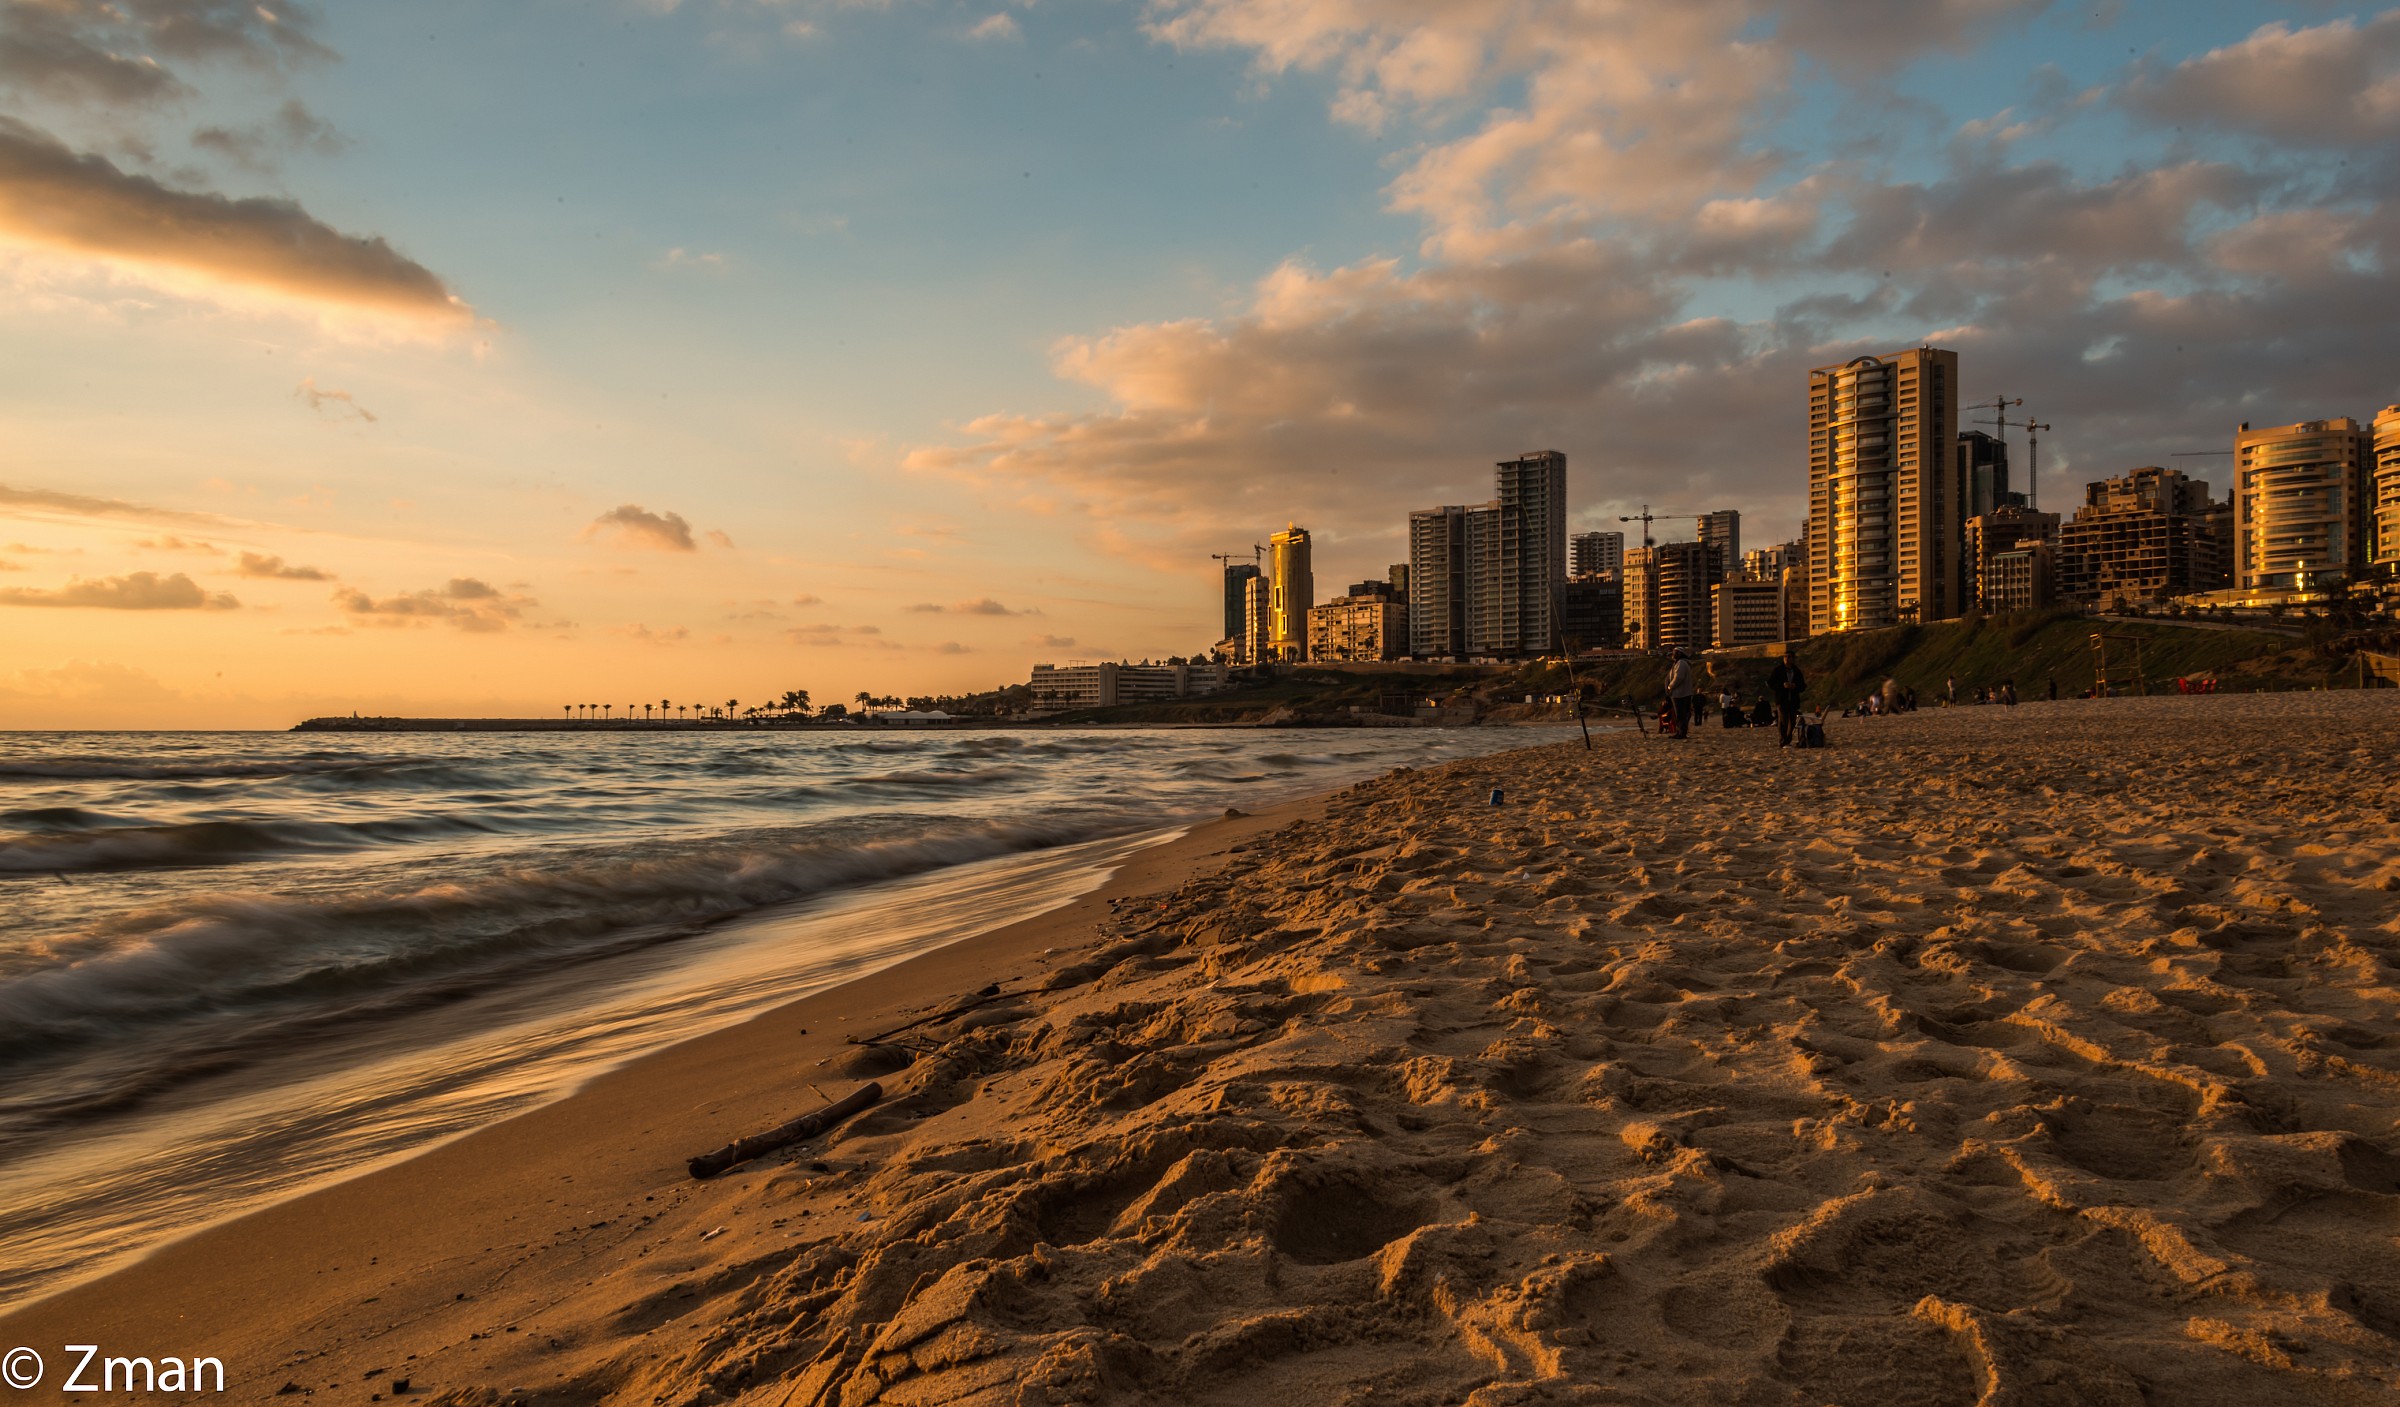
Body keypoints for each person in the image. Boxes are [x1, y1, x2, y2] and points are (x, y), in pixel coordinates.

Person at [1768, 653, 1807, 747]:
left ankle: (1788, 741)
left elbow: (1803, 685)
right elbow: (1770, 683)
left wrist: (1795, 686)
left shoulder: (1796, 671)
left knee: (1793, 721)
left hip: (1793, 700)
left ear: (1793, 659)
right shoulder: (1778, 670)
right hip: (1782, 699)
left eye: (1789, 657)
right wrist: (1782, 685)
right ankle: (1783, 741)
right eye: (1785, 656)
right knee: (1783, 721)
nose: (1786, 658)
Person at [1665, 648, 1697, 739]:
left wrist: (1670, 687)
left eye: (1675, 652)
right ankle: (1681, 732)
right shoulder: (1679, 663)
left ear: (1679, 654)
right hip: (1681, 693)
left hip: (1680, 694)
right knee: (1681, 714)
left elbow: (1678, 678)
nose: (1673, 654)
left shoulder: (1681, 663)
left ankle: (1681, 733)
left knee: (1680, 714)